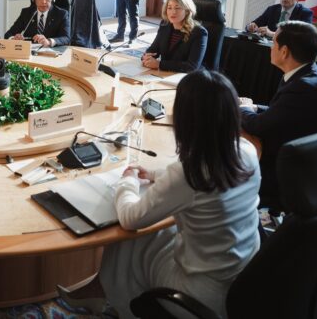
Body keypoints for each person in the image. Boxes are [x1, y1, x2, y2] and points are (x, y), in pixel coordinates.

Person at [58, 70, 260, 318]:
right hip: (242, 279)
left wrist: (128, 181)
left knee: (130, 235)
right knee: (153, 232)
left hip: (198, 296)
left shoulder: (190, 174)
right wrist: (154, 174)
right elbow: (194, 182)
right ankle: (101, 289)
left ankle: (116, 300)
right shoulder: (246, 151)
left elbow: (130, 218)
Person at [240, 20, 317, 211]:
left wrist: (243, 108)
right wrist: (255, 107)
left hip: (288, 172)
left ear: (284, 51)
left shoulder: (302, 87)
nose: (271, 47)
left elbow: (258, 126)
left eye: (274, 42)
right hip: (302, 157)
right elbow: (281, 112)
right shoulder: (309, 72)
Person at [142, 0, 208, 72]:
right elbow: (153, 49)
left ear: (187, 11)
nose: (173, 12)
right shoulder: (165, 25)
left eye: (177, 8)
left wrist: (159, 64)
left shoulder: (199, 32)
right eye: (169, 8)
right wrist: (146, 57)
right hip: (166, 73)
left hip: (188, 76)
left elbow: (192, 66)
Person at [4, 0, 70, 46]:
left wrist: (49, 41)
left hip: (51, 51)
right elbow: (8, 34)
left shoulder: (61, 14)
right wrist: (14, 38)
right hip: (30, 51)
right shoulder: (26, 13)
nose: (43, 2)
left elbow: (66, 38)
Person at [247, 0, 313, 36]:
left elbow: (304, 36)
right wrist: (251, 27)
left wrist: (272, 34)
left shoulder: (305, 13)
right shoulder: (272, 9)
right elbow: (255, 23)